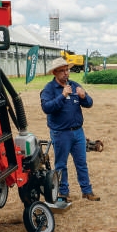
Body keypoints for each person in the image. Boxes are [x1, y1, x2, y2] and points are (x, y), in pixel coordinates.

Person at [41, 57, 100, 202]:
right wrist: (62, 96)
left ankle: (87, 191)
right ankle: (63, 193)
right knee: (61, 164)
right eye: (62, 71)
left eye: (67, 70)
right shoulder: (49, 89)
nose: (66, 73)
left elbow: (89, 103)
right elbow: (46, 108)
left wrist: (84, 96)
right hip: (61, 133)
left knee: (81, 163)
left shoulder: (74, 85)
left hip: (78, 132)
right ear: (55, 73)